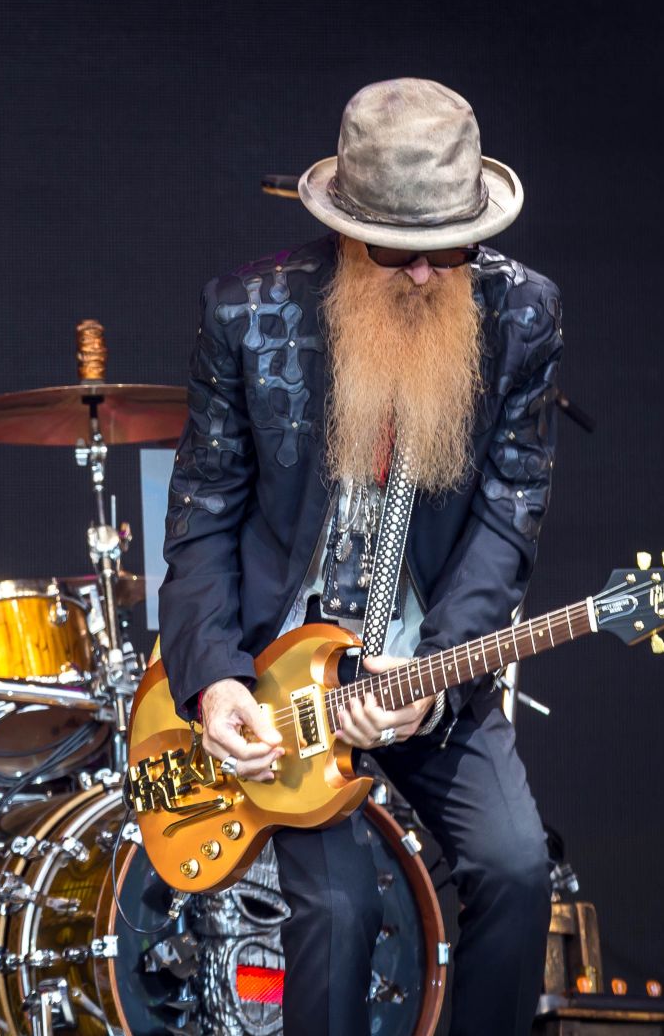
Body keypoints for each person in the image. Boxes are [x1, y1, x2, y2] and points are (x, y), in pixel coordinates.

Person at [159, 78, 558, 1034]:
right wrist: (216, 683)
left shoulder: (523, 315)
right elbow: (202, 520)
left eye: (448, 250)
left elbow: (511, 515)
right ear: (345, 228)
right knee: (338, 910)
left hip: (426, 662)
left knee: (516, 866)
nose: (425, 275)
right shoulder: (247, 314)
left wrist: (433, 669)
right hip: (281, 682)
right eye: (397, 251)